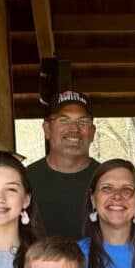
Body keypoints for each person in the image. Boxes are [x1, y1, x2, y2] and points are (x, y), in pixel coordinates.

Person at [26, 90, 99, 238]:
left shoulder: (109, 180)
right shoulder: (23, 181)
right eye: (63, 120)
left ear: (92, 132)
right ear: (47, 129)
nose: (74, 129)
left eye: (83, 122)